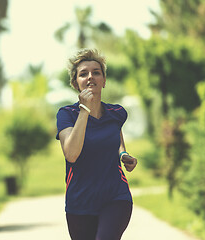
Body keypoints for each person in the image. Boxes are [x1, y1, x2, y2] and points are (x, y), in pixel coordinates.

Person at [56, 48, 138, 240]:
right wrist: (84, 109)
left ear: (104, 80)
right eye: (83, 74)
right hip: (80, 203)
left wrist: (123, 155)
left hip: (115, 197)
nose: (90, 77)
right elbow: (71, 154)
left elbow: (116, 138)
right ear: (75, 83)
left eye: (96, 72)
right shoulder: (66, 114)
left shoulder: (117, 113)